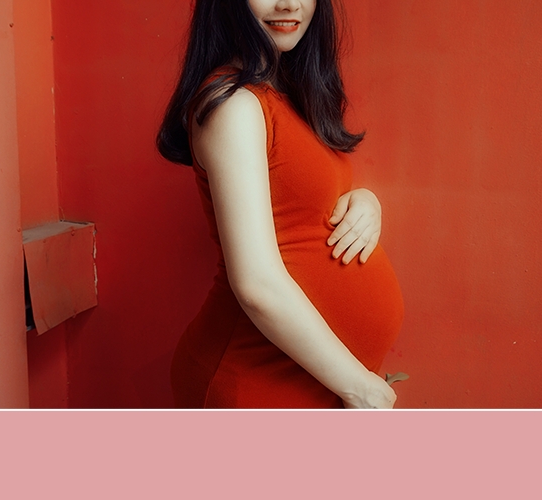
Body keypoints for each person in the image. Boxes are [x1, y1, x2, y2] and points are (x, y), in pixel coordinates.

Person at [157, 0, 404, 408]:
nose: (289, 3)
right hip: (256, 381)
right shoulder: (234, 105)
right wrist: (359, 387)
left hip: (313, 379)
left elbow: (300, 203)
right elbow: (256, 284)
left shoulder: (286, 92)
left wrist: (365, 201)